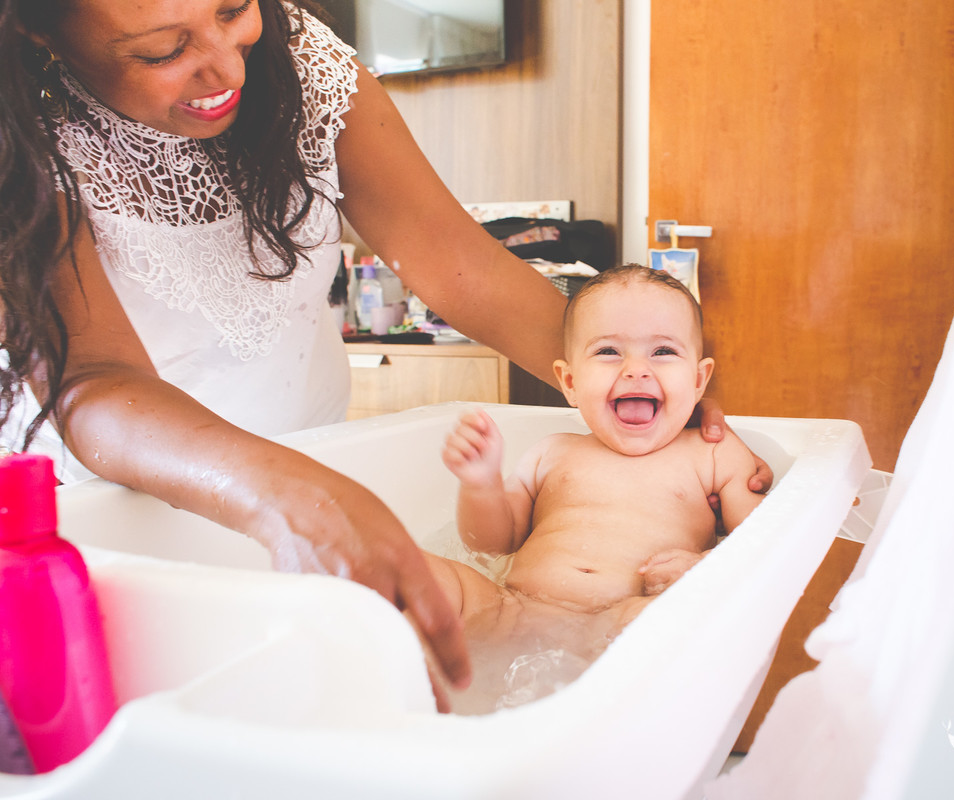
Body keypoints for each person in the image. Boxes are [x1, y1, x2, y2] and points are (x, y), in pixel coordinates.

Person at [0, 1, 767, 702]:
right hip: (106, 515)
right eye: (164, 50)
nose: (228, 65)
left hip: (315, 454)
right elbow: (92, 377)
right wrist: (294, 497)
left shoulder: (304, 62)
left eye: (234, 9)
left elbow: (458, 266)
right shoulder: (18, 130)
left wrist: (634, 374)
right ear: (35, 27)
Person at [437, 266, 766, 709]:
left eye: (663, 351)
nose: (636, 370)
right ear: (570, 382)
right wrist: (480, 485)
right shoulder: (552, 451)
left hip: (626, 618)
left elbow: (766, 540)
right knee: (422, 571)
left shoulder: (712, 454)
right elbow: (492, 543)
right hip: (508, 606)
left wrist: (704, 566)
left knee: (682, 619)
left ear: (698, 379)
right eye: (609, 351)